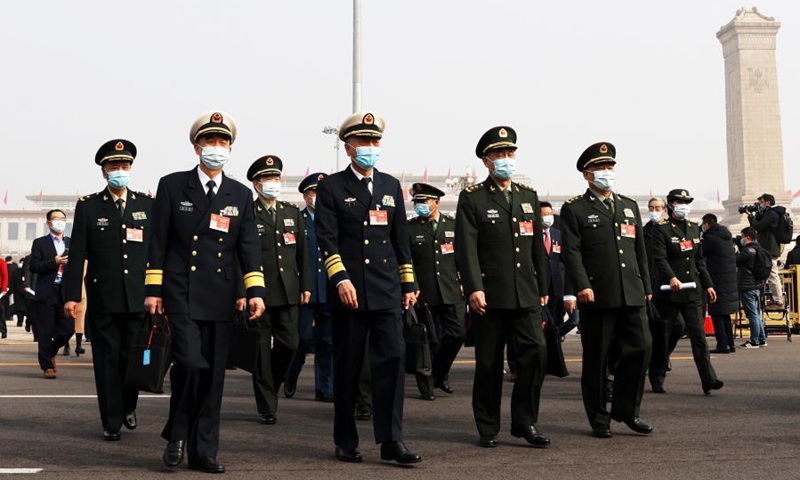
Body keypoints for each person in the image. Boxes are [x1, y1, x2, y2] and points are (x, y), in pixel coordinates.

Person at [145, 111, 266, 473]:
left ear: (231, 147)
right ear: (196, 146)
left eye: (223, 142)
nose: (217, 148)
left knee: (213, 376)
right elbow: (158, 242)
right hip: (180, 290)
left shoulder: (240, 194)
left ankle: (204, 451)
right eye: (210, 142)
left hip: (222, 293)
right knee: (191, 364)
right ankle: (177, 433)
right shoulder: (172, 185)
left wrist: (255, 289)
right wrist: (154, 289)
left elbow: (248, 246)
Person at [315, 111, 421, 465]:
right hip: (351, 292)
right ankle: (345, 439)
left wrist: (408, 282)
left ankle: (392, 440)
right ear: (348, 147)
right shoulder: (332, 186)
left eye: (375, 142)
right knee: (348, 366)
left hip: (387, 290)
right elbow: (326, 239)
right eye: (363, 142)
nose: (370, 148)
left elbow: (400, 239)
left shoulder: (391, 186)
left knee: (392, 362)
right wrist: (340, 278)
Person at [455, 126, 550, 449]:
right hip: (490, 296)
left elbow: (538, 246)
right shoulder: (473, 198)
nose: (506, 159)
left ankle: (525, 421)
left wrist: (544, 284)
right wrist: (473, 288)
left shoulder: (527, 196)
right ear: (486, 161)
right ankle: (488, 426)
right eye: (499, 154)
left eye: (510, 153)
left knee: (535, 352)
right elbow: (466, 248)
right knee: (489, 363)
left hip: (525, 292)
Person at [62, 139, 154, 441]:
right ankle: (111, 421)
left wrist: (158, 291)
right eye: (114, 166)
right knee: (106, 362)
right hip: (104, 299)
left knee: (133, 359)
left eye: (124, 166)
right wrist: (72, 296)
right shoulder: (89, 206)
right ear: (104, 171)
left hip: (138, 298)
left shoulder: (145, 205)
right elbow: (77, 254)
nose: (120, 170)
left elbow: (156, 253)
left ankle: (129, 405)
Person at [560, 142, 652, 439]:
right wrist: (581, 285)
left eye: (610, 167)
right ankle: (599, 417)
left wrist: (647, 287)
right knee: (596, 359)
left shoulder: (628, 205)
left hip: (632, 292)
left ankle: (626, 410)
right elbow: (571, 253)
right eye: (601, 168)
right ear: (587, 175)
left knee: (642, 347)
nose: (607, 173)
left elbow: (639, 251)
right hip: (597, 294)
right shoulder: (574, 208)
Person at [246, 155, 312, 425]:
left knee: (291, 344)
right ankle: (267, 405)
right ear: (256, 184)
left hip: (288, 292)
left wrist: (306, 285)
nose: (273, 183)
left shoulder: (291, 213)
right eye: (267, 179)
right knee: (261, 352)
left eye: (276, 178)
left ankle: (271, 382)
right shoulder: (247, 214)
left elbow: (302, 254)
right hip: (259, 294)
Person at [651, 189, 723, 395]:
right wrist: (671, 277)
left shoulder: (693, 228)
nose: (684, 205)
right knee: (663, 336)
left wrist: (708, 284)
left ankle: (708, 379)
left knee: (699, 337)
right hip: (669, 292)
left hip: (692, 291)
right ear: (671, 205)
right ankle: (657, 374)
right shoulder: (661, 229)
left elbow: (699, 260)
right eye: (679, 202)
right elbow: (659, 258)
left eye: (686, 201)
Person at [407, 182, 466, 401]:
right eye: (417, 202)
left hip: (451, 290)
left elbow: (463, 257)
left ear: (436, 202)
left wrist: (465, 282)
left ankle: (440, 373)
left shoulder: (453, 226)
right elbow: (407, 260)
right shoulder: (410, 228)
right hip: (424, 293)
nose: (420, 205)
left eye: (424, 201)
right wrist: (411, 286)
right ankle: (426, 384)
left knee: (457, 333)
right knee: (427, 341)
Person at [284, 172, 334, 403]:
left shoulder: (334, 221)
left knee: (328, 341)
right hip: (305, 290)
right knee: (301, 339)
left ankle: (324, 388)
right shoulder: (295, 220)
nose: (317, 197)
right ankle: (290, 376)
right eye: (314, 193)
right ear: (305, 196)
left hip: (330, 289)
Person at [28, 210, 73, 378]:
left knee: (68, 329)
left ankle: (52, 351)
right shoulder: (40, 243)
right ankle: (46, 366)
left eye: (62, 218)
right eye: (56, 219)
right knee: (45, 331)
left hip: (65, 292)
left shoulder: (72, 242)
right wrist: (53, 262)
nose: (59, 221)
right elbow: (34, 267)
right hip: (46, 292)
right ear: (48, 222)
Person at [539, 202, 578, 338]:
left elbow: (566, 262)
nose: (548, 217)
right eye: (544, 215)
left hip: (557, 288)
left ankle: (555, 340)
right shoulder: (532, 236)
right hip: (540, 290)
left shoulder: (557, 235)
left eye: (550, 214)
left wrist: (568, 293)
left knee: (565, 321)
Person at [700, 214, 738, 354]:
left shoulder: (710, 239)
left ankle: (722, 345)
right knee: (725, 314)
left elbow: (700, 253)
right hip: (728, 281)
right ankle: (730, 344)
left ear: (707, 224)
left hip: (717, 280)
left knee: (717, 314)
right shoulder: (726, 237)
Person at [747, 193, 785, 308]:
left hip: (770, 248)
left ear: (768, 203)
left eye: (761, 203)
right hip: (768, 247)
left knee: (773, 274)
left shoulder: (772, 214)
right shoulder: (770, 213)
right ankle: (774, 299)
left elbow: (758, 227)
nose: (760, 205)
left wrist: (751, 217)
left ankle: (778, 300)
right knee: (769, 273)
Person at [736, 228, 766, 348]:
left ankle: (754, 341)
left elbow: (736, 261)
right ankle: (761, 339)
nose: (741, 239)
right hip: (756, 285)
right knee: (756, 314)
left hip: (747, 286)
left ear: (747, 237)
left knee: (752, 314)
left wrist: (736, 249)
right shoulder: (758, 249)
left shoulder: (748, 251)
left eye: (742, 237)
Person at [0, 256, 7, 339]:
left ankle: (3, 330)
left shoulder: (1, 262)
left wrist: (4, 288)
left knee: (1, 311)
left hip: (0, 290)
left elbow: (5, 275)